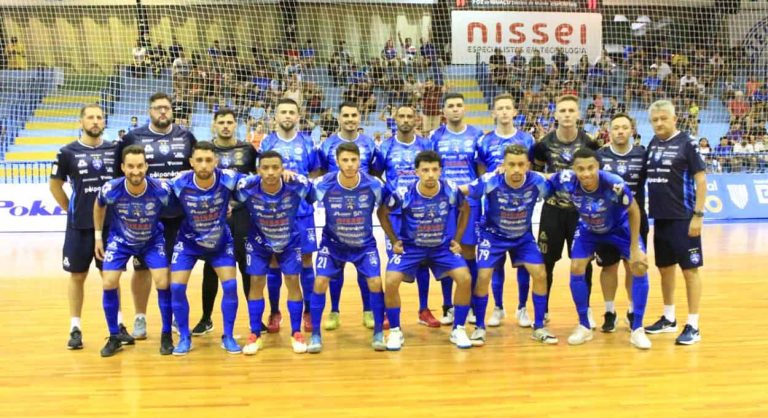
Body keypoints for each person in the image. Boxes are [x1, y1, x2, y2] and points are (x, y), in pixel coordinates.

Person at [548, 147, 651, 349]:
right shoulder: (566, 179)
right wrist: (511, 171)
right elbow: (544, 177)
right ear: (573, 169)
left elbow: (634, 210)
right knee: (576, 267)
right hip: (589, 229)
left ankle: (637, 329)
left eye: (591, 168)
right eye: (580, 169)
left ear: (598, 167)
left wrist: (635, 248)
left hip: (620, 228)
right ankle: (584, 326)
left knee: (639, 266)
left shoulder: (614, 184)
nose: (586, 173)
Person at [116, 92, 197, 340]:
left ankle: (173, 316)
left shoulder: (186, 137)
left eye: (166, 108)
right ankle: (140, 317)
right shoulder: (134, 137)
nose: (162, 112)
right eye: (157, 108)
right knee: (141, 269)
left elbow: (197, 171)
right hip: (144, 217)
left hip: (177, 215)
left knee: (172, 267)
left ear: (172, 110)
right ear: (149, 111)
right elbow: (119, 174)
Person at [459, 145, 557, 346]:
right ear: (503, 165)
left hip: (522, 237)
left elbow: (558, 185)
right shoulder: (491, 180)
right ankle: (479, 327)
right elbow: (462, 191)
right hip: (492, 236)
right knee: (483, 276)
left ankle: (539, 327)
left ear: (528, 165)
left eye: (521, 164)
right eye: (511, 164)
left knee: (540, 274)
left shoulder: (537, 181)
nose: (516, 169)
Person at [49, 104, 126, 350]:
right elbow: (55, 186)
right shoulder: (67, 152)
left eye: (99, 117)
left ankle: (119, 324)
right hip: (79, 227)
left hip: (110, 225)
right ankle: (75, 328)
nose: (95, 121)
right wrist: (72, 210)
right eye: (90, 117)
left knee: (111, 276)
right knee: (77, 276)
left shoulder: (115, 150)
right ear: (81, 122)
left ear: (104, 122)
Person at [380, 151, 473, 350]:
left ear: (440, 171)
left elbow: (465, 210)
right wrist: (394, 240)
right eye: (425, 170)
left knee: (465, 278)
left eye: (434, 170)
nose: (430, 174)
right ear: (417, 172)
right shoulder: (404, 193)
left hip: (441, 248)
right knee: (391, 280)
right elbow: (382, 213)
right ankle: (395, 331)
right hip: (411, 248)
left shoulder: (451, 190)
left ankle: (458, 329)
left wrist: (457, 239)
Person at [306, 142, 388, 353]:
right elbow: (304, 200)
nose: (350, 164)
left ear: (360, 161)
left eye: (354, 160)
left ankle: (379, 333)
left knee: (375, 281)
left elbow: (386, 209)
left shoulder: (374, 184)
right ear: (337, 162)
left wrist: (395, 236)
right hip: (333, 245)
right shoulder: (323, 183)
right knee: (320, 281)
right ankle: (315, 335)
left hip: (364, 245)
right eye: (345, 160)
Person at [92, 145, 173, 357]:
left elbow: (181, 203)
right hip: (121, 240)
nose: (135, 171)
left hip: (152, 240)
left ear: (146, 166)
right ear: (122, 167)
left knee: (163, 282)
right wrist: (98, 236)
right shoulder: (111, 188)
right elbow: (98, 205)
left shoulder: (161, 189)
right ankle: (114, 336)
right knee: (108, 282)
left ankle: (166, 335)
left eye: (139, 166)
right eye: (130, 166)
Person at [167, 141, 243, 355]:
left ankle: (228, 336)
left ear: (216, 161)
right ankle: (184, 336)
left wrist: (286, 173)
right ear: (191, 162)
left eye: (208, 160)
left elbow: (258, 181)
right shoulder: (179, 182)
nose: (203, 165)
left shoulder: (228, 178)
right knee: (176, 288)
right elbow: (153, 191)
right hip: (188, 242)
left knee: (230, 286)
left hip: (220, 242)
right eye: (199, 160)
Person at [235, 151, 312, 355]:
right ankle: (255, 334)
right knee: (256, 282)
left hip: (289, 240)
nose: (270, 172)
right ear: (258, 170)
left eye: (275, 167)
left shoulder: (296, 185)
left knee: (293, 281)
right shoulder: (247, 188)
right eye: (265, 168)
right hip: (259, 242)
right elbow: (231, 194)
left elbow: (313, 194)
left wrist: (296, 175)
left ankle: (296, 332)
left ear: (282, 168)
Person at [532, 94, 599, 325]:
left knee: (583, 262)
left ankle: (586, 310)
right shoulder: (544, 144)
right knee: (545, 263)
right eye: (562, 111)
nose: (567, 115)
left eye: (571, 110)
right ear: (556, 114)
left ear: (578, 114)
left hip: (581, 214)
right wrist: (554, 177)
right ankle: (543, 310)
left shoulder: (590, 143)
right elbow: (536, 173)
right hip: (552, 210)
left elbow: (598, 173)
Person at [644, 100, 706, 345]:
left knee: (690, 270)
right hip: (661, 218)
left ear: (674, 119)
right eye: (655, 120)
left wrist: (698, 215)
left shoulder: (688, 143)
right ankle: (669, 318)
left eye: (663, 118)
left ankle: (694, 325)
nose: (659, 123)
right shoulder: (653, 143)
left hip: (684, 218)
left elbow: (701, 180)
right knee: (665, 269)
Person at [316, 102, 383, 331]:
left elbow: (375, 173)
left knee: (366, 271)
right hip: (336, 207)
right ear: (339, 118)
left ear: (359, 118)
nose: (350, 119)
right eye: (346, 115)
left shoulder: (369, 144)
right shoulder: (327, 145)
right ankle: (334, 311)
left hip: (361, 208)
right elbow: (320, 173)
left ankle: (368, 311)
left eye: (354, 115)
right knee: (334, 269)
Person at [258, 98, 321, 333]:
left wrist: (299, 181)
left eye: (291, 112)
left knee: (306, 260)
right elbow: (260, 172)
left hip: (302, 213)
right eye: (283, 112)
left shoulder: (307, 142)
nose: (287, 116)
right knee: (274, 260)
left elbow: (315, 171)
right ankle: (275, 311)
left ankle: (308, 311)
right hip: (275, 214)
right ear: (276, 116)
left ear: (298, 116)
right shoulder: (267, 142)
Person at [193, 108, 257, 336]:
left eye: (230, 122)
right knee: (211, 268)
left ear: (235, 125)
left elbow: (257, 180)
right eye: (221, 122)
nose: (226, 126)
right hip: (214, 218)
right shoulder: (205, 151)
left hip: (242, 216)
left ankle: (255, 320)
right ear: (214, 125)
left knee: (247, 267)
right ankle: (206, 319)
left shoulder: (248, 150)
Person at [376, 105, 440, 327]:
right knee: (395, 260)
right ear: (395, 119)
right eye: (401, 116)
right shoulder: (385, 147)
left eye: (409, 116)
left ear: (416, 120)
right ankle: (388, 312)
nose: (405, 120)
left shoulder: (426, 145)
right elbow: (376, 174)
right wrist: (389, 193)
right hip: (395, 213)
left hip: (421, 213)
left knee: (423, 261)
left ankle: (424, 309)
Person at [476, 93, 536, 328]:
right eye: (499, 108)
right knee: (496, 263)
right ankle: (498, 308)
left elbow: (532, 171)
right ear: (493, 112)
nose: (503, 112)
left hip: (520, 211)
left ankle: (522, 308)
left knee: (523, 263)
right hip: (494, 210)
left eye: (507, 108)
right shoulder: (484, 141)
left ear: (514, 112)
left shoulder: (527, 139)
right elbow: (481, 173)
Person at [428, 92, 484, 326]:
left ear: (464, 108)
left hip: (469, 203)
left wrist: (475, 193)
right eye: (450, 105)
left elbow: (481, 172)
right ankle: (448, 306)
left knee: (468, 252)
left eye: (459, 105)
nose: (455, 109)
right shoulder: (435, 136)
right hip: (443, 204)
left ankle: (469, 305)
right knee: (445, 252)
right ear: (443, 111)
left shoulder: (477, 135)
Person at [596, 113, 648, 332]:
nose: (620, 131)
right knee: (609, 267)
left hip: (635, 220)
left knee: (634, 265)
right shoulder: (600, 155)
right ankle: (609, 312)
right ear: (609, 130)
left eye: (624, 127)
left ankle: (632, 310)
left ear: (632, 131)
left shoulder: (642, 154)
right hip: (607, 222)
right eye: (616, 127)